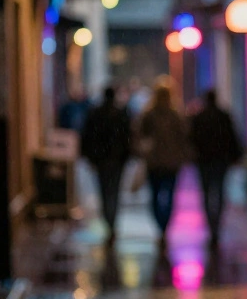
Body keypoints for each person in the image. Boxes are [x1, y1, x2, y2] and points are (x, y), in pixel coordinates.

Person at [189, 89, 244, 247]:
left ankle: (212, 226)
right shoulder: (223, 116)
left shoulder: (199, 118)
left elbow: (192, 139)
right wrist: (235, 156)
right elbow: (232, 137)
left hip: (205, 161)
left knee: (207, 193)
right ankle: (216, 226)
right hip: (220, 161)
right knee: (219, 191)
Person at [138, 84, 191, 246]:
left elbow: (140, 136)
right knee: (169, 195)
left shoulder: (149, 115)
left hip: (154, 162)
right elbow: (184, 138)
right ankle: (164, 226)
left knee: (155, 195)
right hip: (171, 163)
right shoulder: (175, 115)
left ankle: (161, 226)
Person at [79, 87, 131, 242]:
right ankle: (111, 222)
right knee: (113, 191)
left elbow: (87, 136)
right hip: (116, 160)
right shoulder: (121, 114)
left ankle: (109, 222)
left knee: (104, 191)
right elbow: (127, 138)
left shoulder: (95, 114)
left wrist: (89, 156)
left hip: (102, 160)